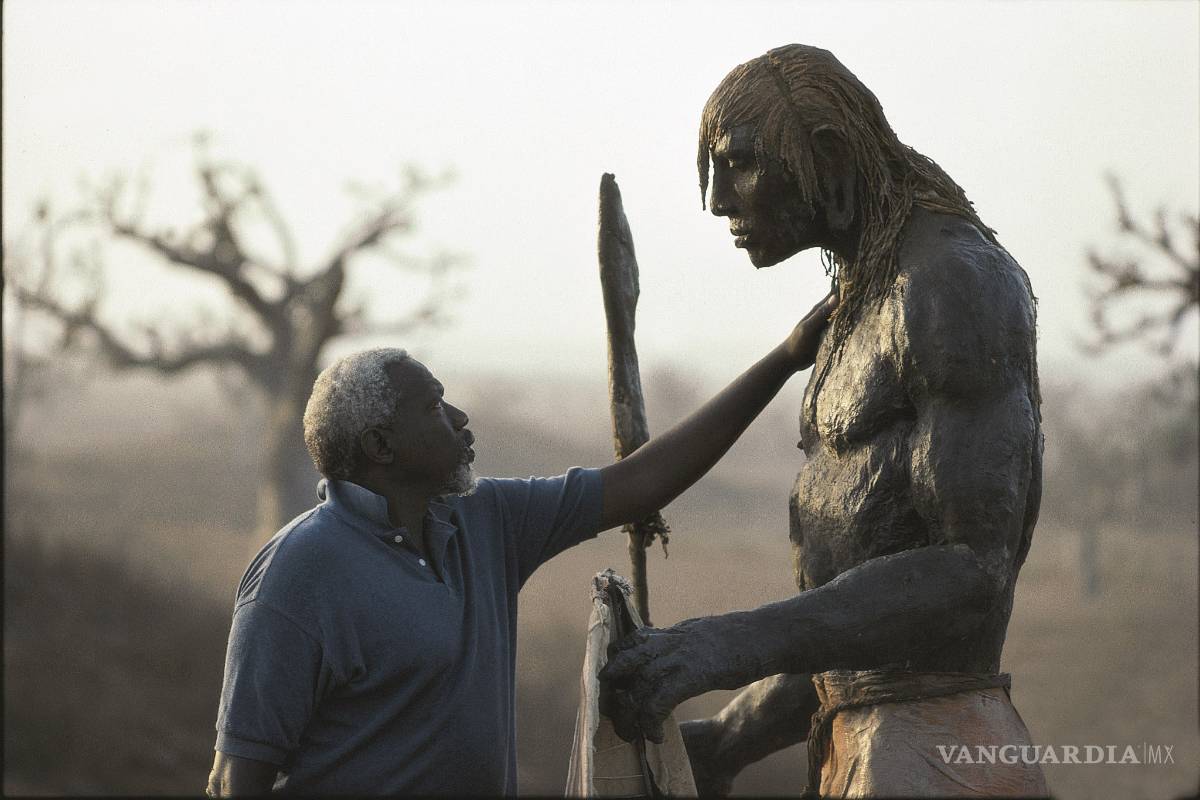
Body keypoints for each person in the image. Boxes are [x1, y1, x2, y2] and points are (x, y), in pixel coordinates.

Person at [599, 44, 1048, 797]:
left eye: (741, 164)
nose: (718, 200)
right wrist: (729, 741)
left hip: (936, 755)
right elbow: (854, 621)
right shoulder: (858, 298)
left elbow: (969, 571)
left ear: (828, 155)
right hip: (870, 746)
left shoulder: (950, 282)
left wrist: (726, 642)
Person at [206, 290, 836, 796]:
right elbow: (240, 777)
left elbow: (643, 482)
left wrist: (784, 358)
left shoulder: (486, 520)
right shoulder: (298, 575)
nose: (460, 419)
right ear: (380, 447)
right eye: (433, 407)